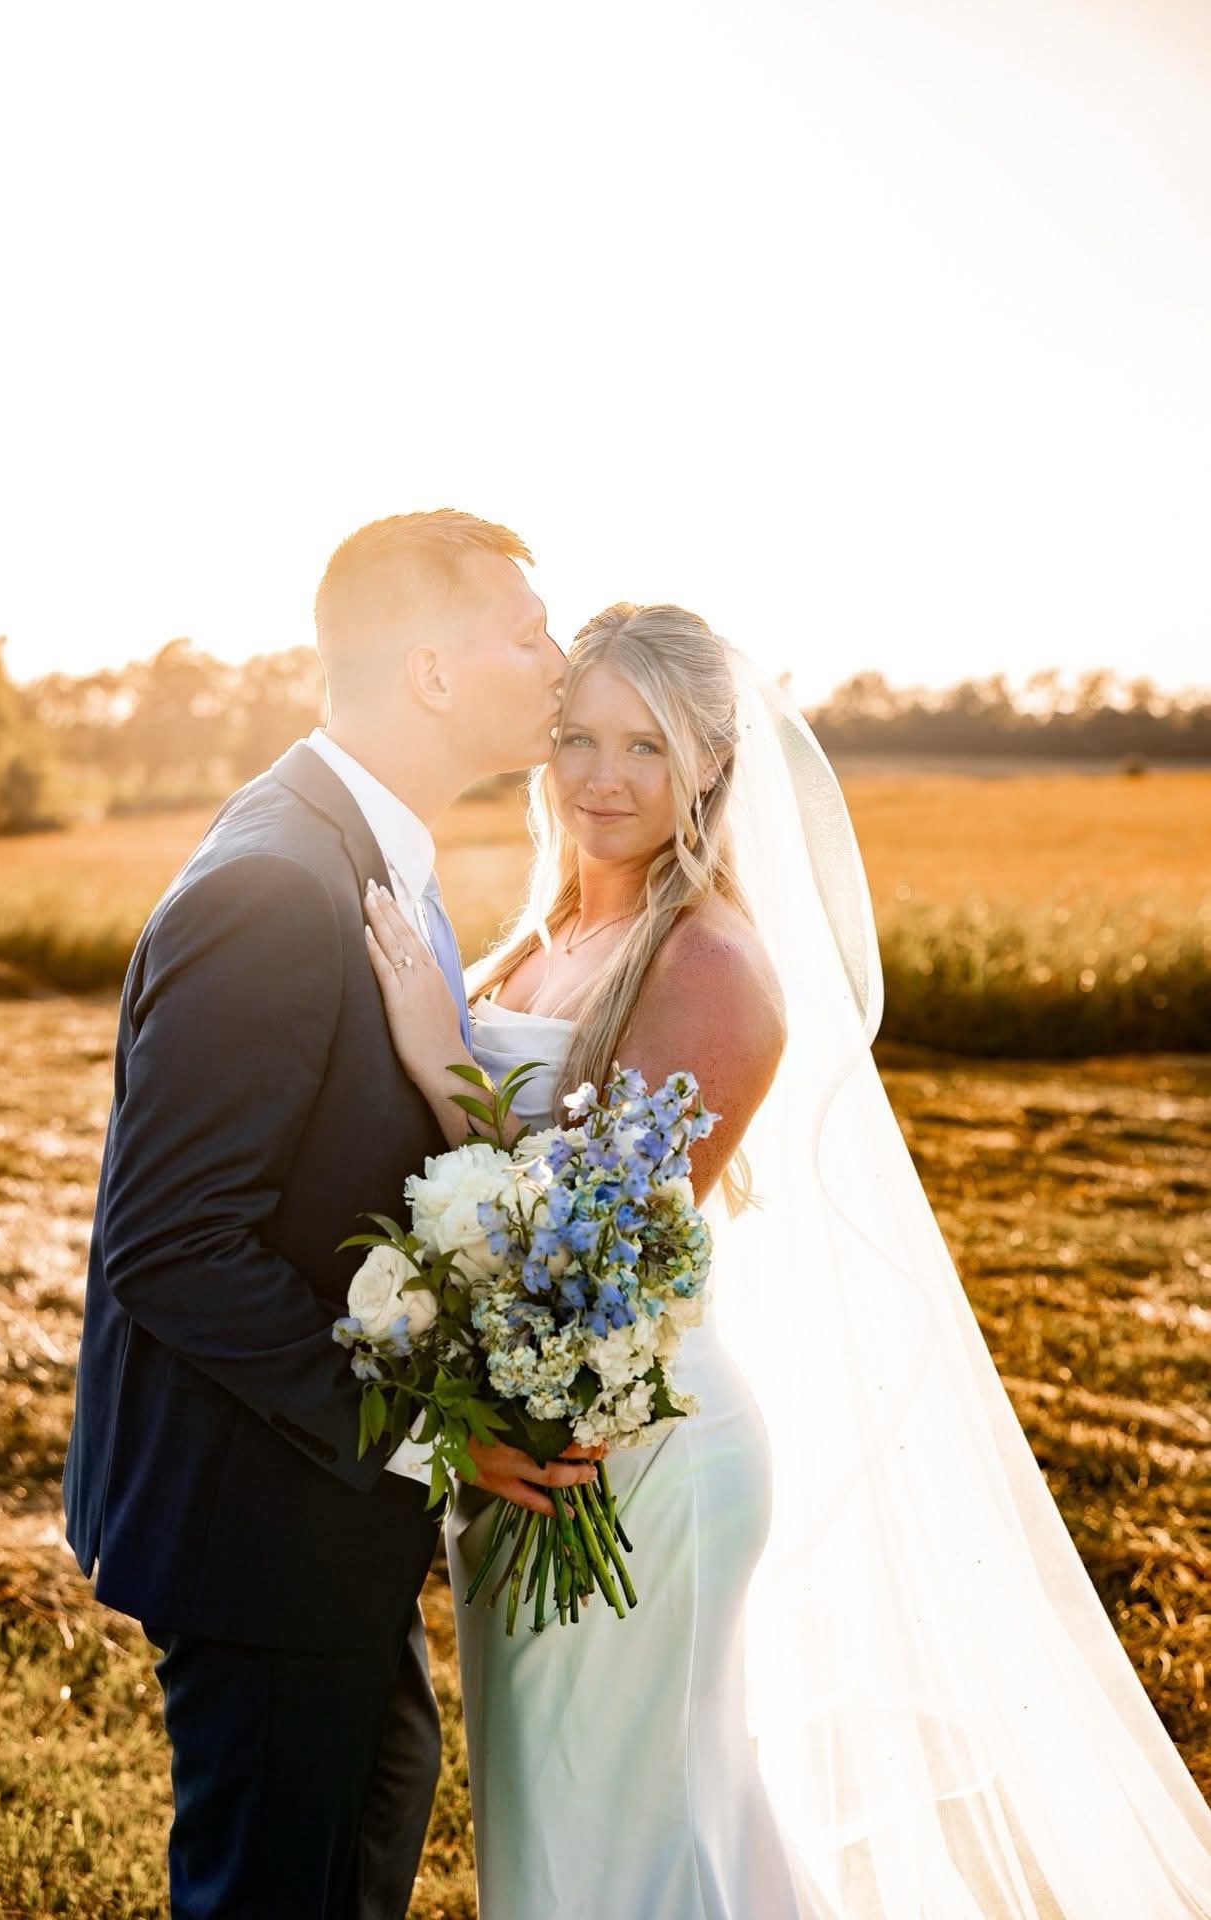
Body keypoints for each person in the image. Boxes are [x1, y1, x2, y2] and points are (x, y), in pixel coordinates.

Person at [365, 602, 1211, 1919]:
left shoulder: (708, 957)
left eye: (646, 746)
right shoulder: (545, 936)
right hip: (542, 1447)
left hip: (631, 1465)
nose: (601, 777)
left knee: (626, 1858)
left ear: (712, 761)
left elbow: (603, 1248)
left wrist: (442, 1066)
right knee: (585, 1840)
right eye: (577, 737)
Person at [62, 509, 599, 1920]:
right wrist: (439, 1432)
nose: (559, 660)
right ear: (430, 670)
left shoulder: (361, 846)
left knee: (369, 1815)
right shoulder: (275, 887)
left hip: (317, 1514)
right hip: (257, 1527)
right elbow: (173, 1248)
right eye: (527, 632)